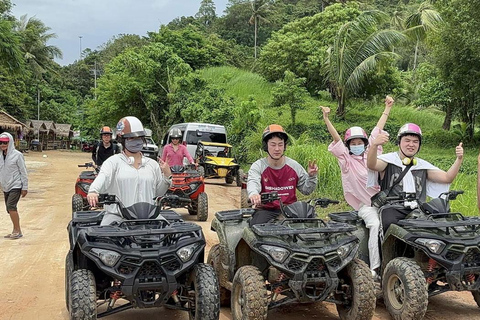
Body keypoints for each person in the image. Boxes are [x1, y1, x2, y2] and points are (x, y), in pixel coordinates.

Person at [321, 95, 394, 276]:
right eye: (353, 143)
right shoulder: (346, 161)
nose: (356, 145)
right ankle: (374, 269)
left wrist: (388, 108)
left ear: (365, 144)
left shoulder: (371, 153)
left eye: (359, 142)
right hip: (366, 206)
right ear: (348, 145)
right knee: (375, 225)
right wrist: (327, 119)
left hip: (385, 202)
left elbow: (378, 130)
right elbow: (336, 139)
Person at [367, 123, 464, 233]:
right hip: (392, 208)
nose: (411, 144)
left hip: (418, 209)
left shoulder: (422, 166)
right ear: (399, 142)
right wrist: (374, 145)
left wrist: (459, 159)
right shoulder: (388, 161)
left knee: (437, 229)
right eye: (407, 140)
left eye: (415, 141)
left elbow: (447, 178)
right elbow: (372, 164)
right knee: (389, 228)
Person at [87, 116, 172, 226]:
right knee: (102, 237)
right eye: (131, 138)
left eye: (139, 138)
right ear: (122, 140)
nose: (136, 141)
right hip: (117, 216)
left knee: (168, 234)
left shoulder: (152, 164)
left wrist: (167, 176)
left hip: (149, 218)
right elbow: (103, 176)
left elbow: (158, 192)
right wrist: (93, 191)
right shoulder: (113, 162)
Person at [247, 124, 318, 226]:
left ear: (285, 146)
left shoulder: (294, 166)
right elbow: (253, 182)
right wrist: (254, 194)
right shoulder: (258, 166)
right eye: (273, 144)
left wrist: (311, 176)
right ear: (266, 145)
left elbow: (307, 190)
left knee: (310, 227)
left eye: (280, 144)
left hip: (291, 209)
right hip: (267, 210)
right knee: (255, 228)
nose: (277, 149)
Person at [0, 132, 28, 239]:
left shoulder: (17, 155)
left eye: (5, 143)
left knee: (11, 206)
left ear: (10, 142)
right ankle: (14, 230)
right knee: (9, 208)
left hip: (16, 185)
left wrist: (24, 187)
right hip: (5, 186)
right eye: (1, 142)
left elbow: (23, 172)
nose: (3, 145)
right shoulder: (0, 156)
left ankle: (17, 230)